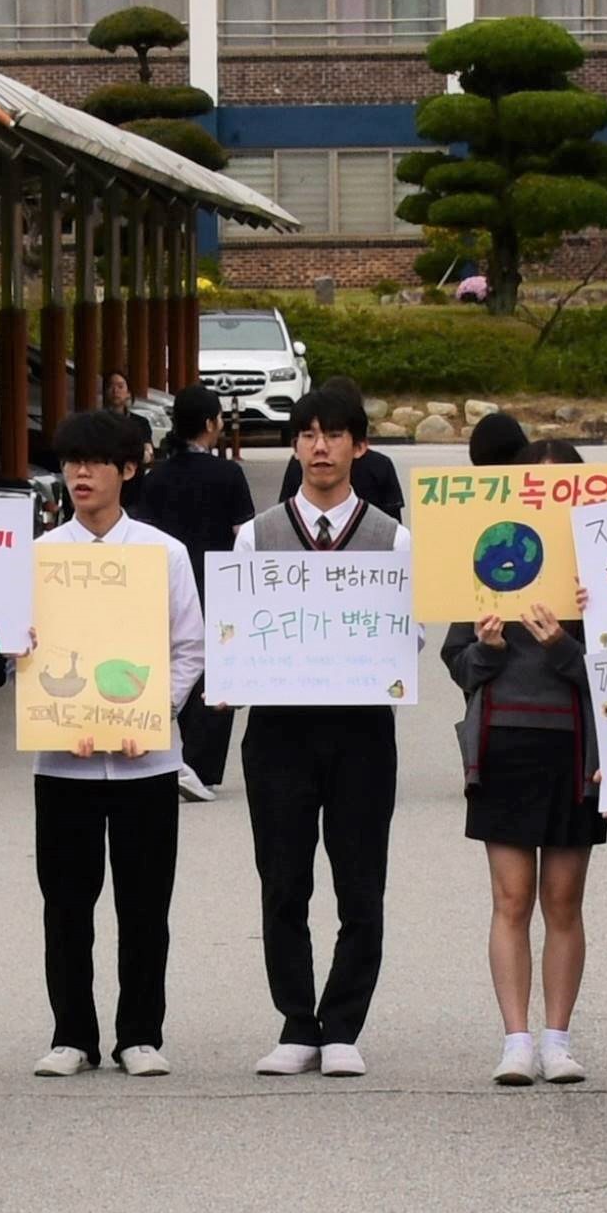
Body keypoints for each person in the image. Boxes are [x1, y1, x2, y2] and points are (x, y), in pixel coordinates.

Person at [25, 404, 211, 1073]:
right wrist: (23, 656)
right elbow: (21, 654)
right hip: (63, 763)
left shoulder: (163, 554)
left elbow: (189, 648)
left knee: (145, 905)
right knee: (66, 906)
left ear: (128, 470)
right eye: (71, 462)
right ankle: (71, 1035)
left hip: (146, 763)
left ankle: (140, 1034)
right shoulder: (40, 557)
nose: (80, 474)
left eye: (96, 462)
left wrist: (153, 713)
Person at [241, 385, 402, 1075]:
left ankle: (343, 1025)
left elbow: (408, 637)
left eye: (334, 434)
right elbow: (236, 629)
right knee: (283, 880)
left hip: (362, 727)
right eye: (307, 434)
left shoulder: (391, 537)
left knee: (360, 883)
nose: (320, 447)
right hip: (279, 728)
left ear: (359, 446)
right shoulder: (258, 534)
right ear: (295, 446)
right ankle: (296, 1021)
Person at [439, 409, 597, 1085]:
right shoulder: (489, 561)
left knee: (564, 900)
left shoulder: (599, 573)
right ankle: (516, 1039)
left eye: (566, 490)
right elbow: (458, 663)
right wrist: (489, 647)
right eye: (541, 487)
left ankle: (558, 1038)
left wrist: (563, 645)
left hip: (573, 748)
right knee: (511, 898)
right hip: (502, 741)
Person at [132, 385, 259, 800]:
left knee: (171, 664)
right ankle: (200, 767)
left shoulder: (156, 476)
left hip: (164, 582)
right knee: (214, 672)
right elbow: (243, 534)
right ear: (209, 423)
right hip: (216, 583)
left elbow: (143, 534)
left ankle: (171, 755)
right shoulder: (228, 474)